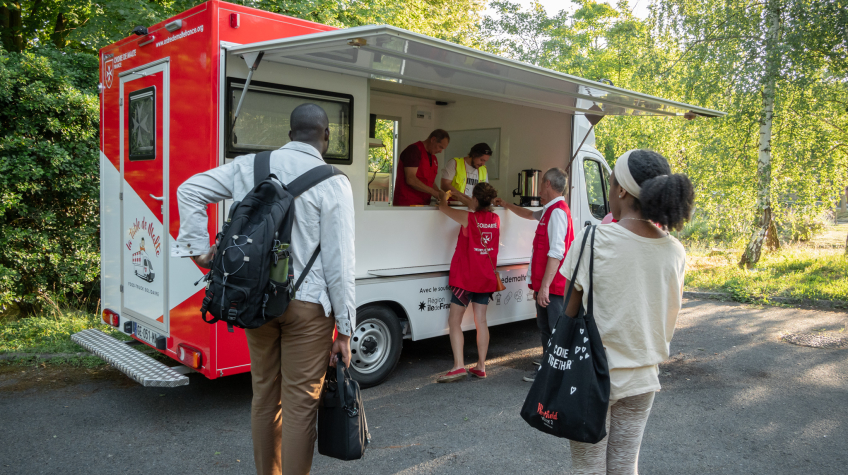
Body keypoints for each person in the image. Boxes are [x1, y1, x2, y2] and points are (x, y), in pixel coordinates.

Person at [172, 103, 356, 475]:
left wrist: (198, 253)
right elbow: (341, 264)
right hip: (308, 308)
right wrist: (346, 330)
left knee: (264, 398)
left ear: (289, 134)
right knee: (301, 403)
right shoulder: (334, 181)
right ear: (326, 136)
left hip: (253, 302)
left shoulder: (251, 166)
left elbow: (189, 190)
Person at [560, 149, 693, 474]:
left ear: (620, 190)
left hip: (591, 377)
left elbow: (569, 311)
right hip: (643, 378)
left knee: (588, 468)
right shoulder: (675, 250)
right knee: (624, 466)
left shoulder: (592, 239)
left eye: (609, 181)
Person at [494, 167, 574, 383]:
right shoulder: (550, 210)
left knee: (553, 330)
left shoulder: (557, 212)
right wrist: (506, 205)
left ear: (547, 184)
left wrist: (545, 286)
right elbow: (529, 214)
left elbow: (557, 252)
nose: (538, 190)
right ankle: (549, 370)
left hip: (554, 287)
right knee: (546, 328)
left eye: (540, 185)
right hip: (548, 285)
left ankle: (553, 375)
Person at [435, 183, 501, 382]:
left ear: (475, 200)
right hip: (485, 278)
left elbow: (443, 208)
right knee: (481, 321)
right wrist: (460, 194)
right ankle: (481, 366)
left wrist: (443, 196)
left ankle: (458, 366)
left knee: (454, 321)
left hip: (465, 279)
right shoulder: (496, 219)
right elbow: (477, 207)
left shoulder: (468, 218)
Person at [392, 129, 450, 206]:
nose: (440, 151)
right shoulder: (414, 150)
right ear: (433, 139)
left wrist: (439, 192)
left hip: (424, 204)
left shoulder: (434, 158)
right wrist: (434, 192)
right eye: (440, 147)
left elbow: (430, 182)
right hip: (407, 204)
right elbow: (411, 179)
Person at [440, 142, 493, 208]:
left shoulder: (484, 169)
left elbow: (485, 191)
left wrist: (492, 200)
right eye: (481, 160)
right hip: (454, 206)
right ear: (474, 155)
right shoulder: (455, 163)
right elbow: (444, 185)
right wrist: (463, 199)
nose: (483, 164)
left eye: (485, 161)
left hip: (474, 207)